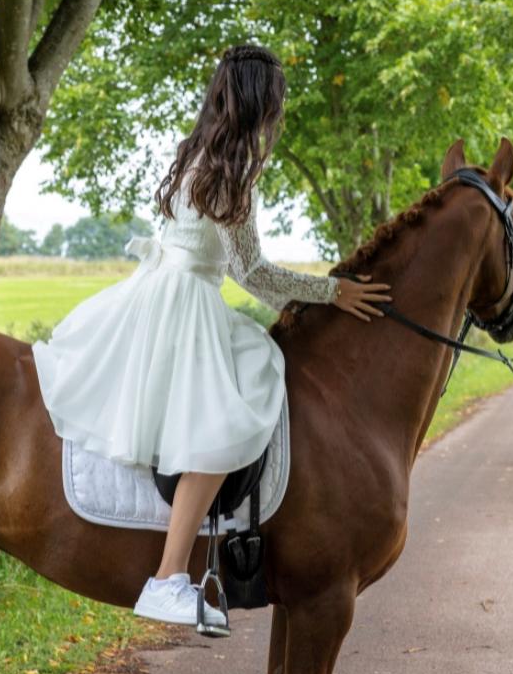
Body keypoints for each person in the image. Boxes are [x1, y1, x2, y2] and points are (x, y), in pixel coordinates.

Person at [31, 43, 392, 629]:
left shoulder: (196, 156)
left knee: (235, 378)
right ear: (259, 104)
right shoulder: (232, 177)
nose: (277, 114)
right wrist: (332, 294)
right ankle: (169, 574)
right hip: (186, 301)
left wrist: (297, 304)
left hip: (159, 291)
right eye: (275, 103)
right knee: (225, 415)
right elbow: (252, 273)